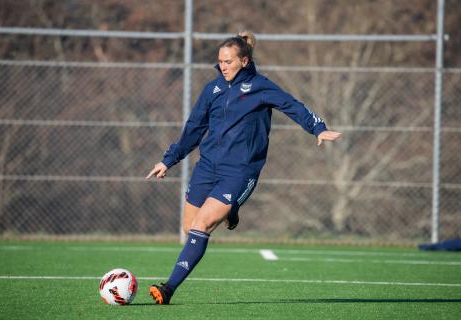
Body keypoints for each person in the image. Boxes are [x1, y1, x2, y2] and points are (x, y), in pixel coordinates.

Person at [145, 32, 341, 304]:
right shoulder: (212, 90)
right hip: (207, 167)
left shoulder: (260, 86)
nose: (222, 66)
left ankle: (168, 289)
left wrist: (318, 128)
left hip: (239, 171)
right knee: (190, 228)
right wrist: (169, 160)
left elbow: (293, 106)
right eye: (220, 62)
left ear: (244, 61)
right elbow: (194, 129)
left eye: (228, 61)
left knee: (202, 224)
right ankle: (232, 211)